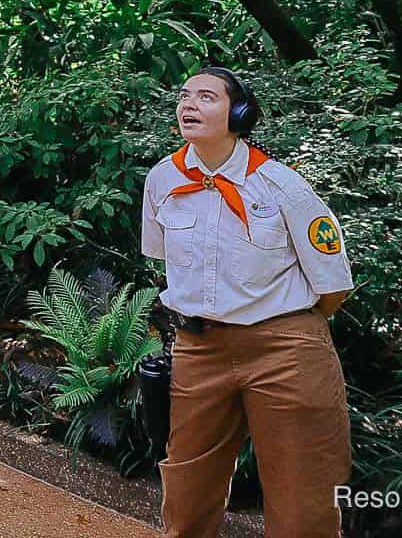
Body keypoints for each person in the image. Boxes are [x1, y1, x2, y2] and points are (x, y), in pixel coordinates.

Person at [143, 68, 354, 538]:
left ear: (239, 114)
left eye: (205, 97)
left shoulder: (282, 187)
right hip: (199, 348)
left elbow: (333, 283)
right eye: (184, 96)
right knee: (187, 492)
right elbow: (168, 264)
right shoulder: (162, 180)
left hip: (285, 348)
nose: (189, 105)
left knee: (304, 497)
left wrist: (282, 331)